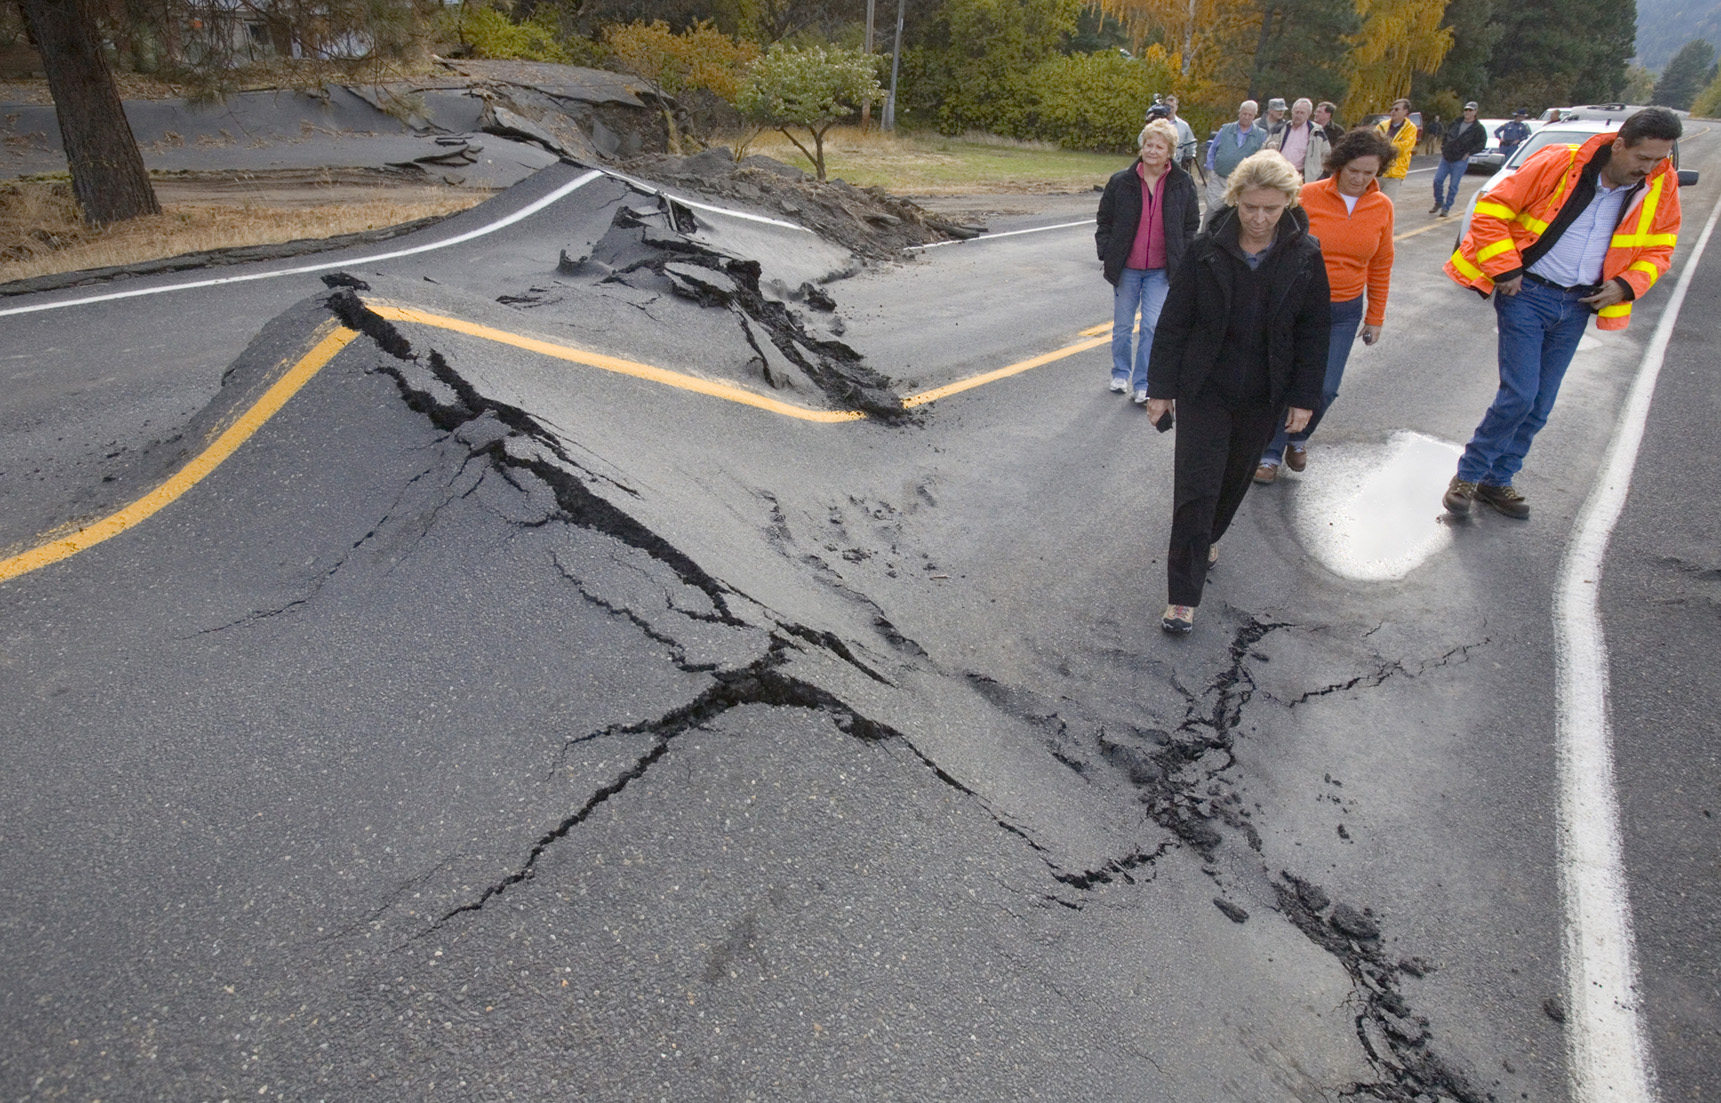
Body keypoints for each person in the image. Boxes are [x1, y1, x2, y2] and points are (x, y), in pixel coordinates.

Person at [1443, 107, 1684, 519]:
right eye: (1643, 158)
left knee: (1540, 403)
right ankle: (1468, 474)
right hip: (1527, 294)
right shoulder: (1558, 163)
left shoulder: (1661, 184)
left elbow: (1660, 246)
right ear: (1620, 143)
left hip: (1578, 305)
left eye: (1659, 160)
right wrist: (1505, 269)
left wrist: (1626, 285)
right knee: (1519, 394)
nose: (1649, 168)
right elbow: (1491, 211)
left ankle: (1497, 481)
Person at [1145, 150, 1329, 633]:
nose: (1261, 218)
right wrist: (1160, 389)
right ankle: (1182, 597)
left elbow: (1314, 333)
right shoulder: (1206, 250)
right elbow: (1173, 322)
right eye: (1251, 207)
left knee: (1232, 483)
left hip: (1265, 393)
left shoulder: (1305, 255)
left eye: (1271, 208)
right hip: (1205, 388)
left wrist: (1304, 398)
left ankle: (1207, 537)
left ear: (1288, 203)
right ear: (1236, 200)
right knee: (1195, 490)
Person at [1255, 129, 1397, 482]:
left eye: (1369, 173)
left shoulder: (1382, 207)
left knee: (1325, 387)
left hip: (1343, 311)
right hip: (1297, 305)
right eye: (1354, 171)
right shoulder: (1306, 196)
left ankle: (1298, 437)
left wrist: (1375, 316)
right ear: (1339, 165)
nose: (1360, 179)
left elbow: (1381, 262)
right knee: (1284, 381)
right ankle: (1269, 455)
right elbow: (1277, 247)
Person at [1096, 119, 1201, 402]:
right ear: (1142, 147)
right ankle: (1120, 373)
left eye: (1159, 146)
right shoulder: (1121, 181)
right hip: (1127, 267)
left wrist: (1183, 254)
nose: (1152, 151)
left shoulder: (1182, 183)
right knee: (1122, 326)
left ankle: (1143, 383)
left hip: (1161, 270)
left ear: (1170, 152)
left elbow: (1191, 223)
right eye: (1148, 145)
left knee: (1153, 325)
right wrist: (1107, 250)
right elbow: (1104, 220)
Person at [1202, 100, 1267, 230]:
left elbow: (1261, 158)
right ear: (1239, 113)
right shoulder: (1225, 129)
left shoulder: (1261, 134)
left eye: (1250, 115)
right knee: (1214, 207)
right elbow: (1212, 149)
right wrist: (1211, 170)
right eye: (1244, 114)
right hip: (1219, 177)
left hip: (1242, 182)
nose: (1247, 117)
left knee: (1235, 211)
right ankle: (1204, 234)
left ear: (1255, 116)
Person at [1431, 101, 1486, 216]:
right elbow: (1446, 135)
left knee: (1453, 185)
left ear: (1475, 112)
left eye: (1470, 110)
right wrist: (1443, 147)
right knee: (1437, 180)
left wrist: (1469, 153)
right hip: (1447, 157)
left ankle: (1446, 208)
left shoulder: (1478, 128)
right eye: (1466, 109)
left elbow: (1481, 144)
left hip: (1460, 160)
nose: (1467, 112)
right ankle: (1439, 201)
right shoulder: (1456, 122)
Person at [1265, 97, 1330, 181]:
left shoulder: (1316, 132)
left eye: (1302, 113)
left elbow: (1327, 154)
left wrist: (1317, 170)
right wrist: (1269, 145)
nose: (1298, 116)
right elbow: (1264, 146)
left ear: (1308, 114)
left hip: (1301, 176)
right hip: (1278, 173)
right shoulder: (1280, 128)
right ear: (1292, 112)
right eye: (1296, 112)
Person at [1374, 99, 1418, 203]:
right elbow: (1374, 144)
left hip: (1394, 174)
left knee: (1386, 204)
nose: (1392, 111)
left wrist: (1385, 144)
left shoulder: (1411, 129)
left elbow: (1404, 148)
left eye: (1397, 109)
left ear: (1405, 112)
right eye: (1392, 109)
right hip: (1377, 172)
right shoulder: (1382, 126)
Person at [1164, 94, 1200, 178]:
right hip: (1157, 164)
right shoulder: (1156, 122)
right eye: (1167, 106)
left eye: (1172, 107)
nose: (1170, 109)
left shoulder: (1184, 126)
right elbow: (1142, 139)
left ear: (1176, 108)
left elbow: (1191, 143)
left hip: (1176, 165)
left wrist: (1189, 156)